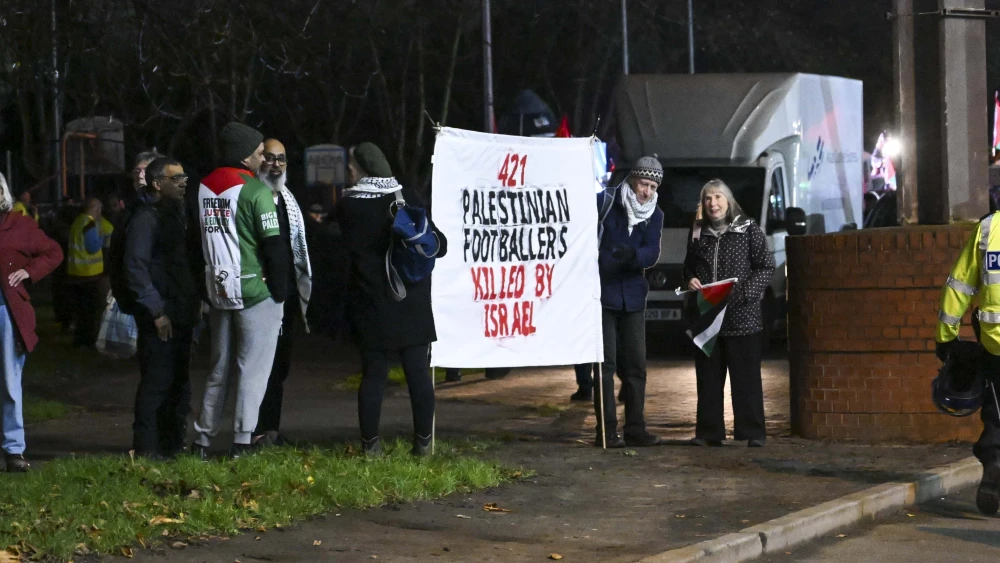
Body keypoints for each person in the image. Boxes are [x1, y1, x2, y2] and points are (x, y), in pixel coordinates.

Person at [336, 142, 447, 456]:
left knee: (373, 375)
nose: (348, 172)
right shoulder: (405, 196)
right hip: (411, 299)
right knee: (417, 372)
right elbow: (440, 244)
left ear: (362, 168)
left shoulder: (348, 206)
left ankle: (371, 448)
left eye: (351, 166)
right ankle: (424, 445)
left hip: (372, 301)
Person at [191, 122, 289, 459]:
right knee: (253, 370)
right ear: (244, 155)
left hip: (218, 291)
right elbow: (274, 247)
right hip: (254, 292)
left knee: (218, 369)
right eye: (260, 152)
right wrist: (280, 291)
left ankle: (201, 441)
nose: (264, 159)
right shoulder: (257, 191)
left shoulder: (203, 188)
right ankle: (242, 442)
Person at [683, 179, 774, 448]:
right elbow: (689, 266)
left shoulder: (748, 229)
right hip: (708, 318)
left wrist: (745, 293)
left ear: (729, 201)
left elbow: (766, 266)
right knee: (708, 380)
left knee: (746, 380)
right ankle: (709, 433)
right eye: (708, 198)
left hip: (742, 318)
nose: (713, 203)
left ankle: (753, 432)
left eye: (718, 197)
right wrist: (690, 280)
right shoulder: (698, 232)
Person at [122, 157, 200, 459]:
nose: (183, 182)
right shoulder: (146, 218)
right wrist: (156, 311)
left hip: (181, 311)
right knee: (156, 381)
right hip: (161, 315)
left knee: (179, 382)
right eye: (175, 178)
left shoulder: (177, 213)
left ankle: (172, 445)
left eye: (184, 177)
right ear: (157, 183)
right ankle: (147, 449)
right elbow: (136, 267)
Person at [593, 156, 665, 448]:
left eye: (652, 185)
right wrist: (608, 258)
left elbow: (652, 251)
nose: (646, 191)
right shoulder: (606, 202)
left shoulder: (655, 214)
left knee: (635, 365)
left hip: (633, 297)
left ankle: (636, 427)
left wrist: (633, 257)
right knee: (605, 365)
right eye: (642, 183)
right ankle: (607, 430)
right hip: (602, 294)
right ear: (632, 180)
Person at [936, 206, 1000, 515]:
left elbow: (959, 285)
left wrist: (946, 336)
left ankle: (995, 459)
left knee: (997, 410)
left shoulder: (988, 230)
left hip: (995, 342)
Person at [0, 172, 64, 471]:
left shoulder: (20, 224)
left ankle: (14, 451)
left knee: (10, 383)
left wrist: (29, 272)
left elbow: (54, 251)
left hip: (7, 314)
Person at [252, 139, 312, 447]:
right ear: (260, 161)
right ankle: (253, 431)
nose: (276, 164)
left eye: (282, 159)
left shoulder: (289, 200)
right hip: (259, 296)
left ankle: (270, 430)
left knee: (279, 367)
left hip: (285, 298)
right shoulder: (252, 197)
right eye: (270, 158)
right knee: (258, 367)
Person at [66, 197, 107, 348]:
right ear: (95, 209)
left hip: (75, 273)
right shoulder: (89, 224)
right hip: (89, 275)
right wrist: (102, 237)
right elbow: (92, 247)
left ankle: (79, 340)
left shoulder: (77, 222)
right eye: (99, 210)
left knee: (80, 310)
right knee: (90, 311)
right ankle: (89, 341)